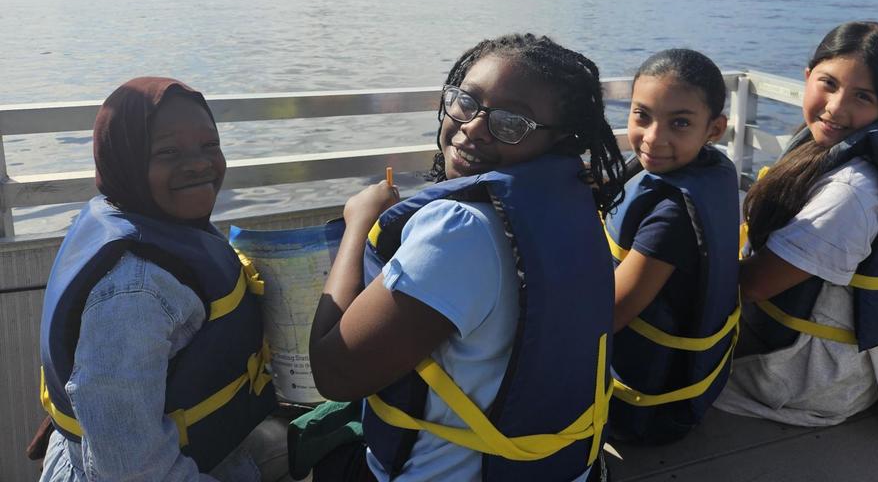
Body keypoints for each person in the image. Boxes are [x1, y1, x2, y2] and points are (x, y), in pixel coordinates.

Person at [309, 33, 628, 481]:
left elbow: (334, 373)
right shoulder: (572, 199)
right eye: (466, 101)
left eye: (512, 122)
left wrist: (358, 224)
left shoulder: (461, 231)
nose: (474, 126)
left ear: (561, 142)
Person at [715, 22, 878, 435]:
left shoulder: (851, 194)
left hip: (807, 374)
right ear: (807, 77)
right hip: (805, 343)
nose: (836, 108)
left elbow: (752, 285)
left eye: (863, 96)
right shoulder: (822, 144)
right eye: (828, 83)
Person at [39, 77, 279, 481]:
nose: (199, 163)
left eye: (210, 146)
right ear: (125, 162)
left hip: (207, 450)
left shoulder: (164, 225)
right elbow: (130, 468)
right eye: (168, 151)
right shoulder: (133, 292)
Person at [603, 49, 739, 443]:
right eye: (641, 115)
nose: (654, 138)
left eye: (680, 123)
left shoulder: (672, 219)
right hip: (680, 391)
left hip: (643, 412)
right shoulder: (699, 171)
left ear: (714, 130)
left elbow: (606, 316)